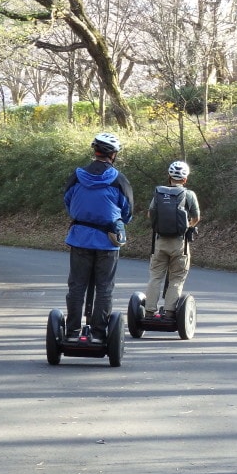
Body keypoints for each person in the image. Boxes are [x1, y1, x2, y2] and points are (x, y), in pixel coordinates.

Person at [63, 132, 133, 341]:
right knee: (104, 288)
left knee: (77, 286)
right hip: (108, 242)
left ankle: (72, 330)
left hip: (80, 238)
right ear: (113, 154)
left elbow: (68, 202)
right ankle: (99, 332)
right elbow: (127, 211)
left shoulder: (76, 176)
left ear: (95, 151)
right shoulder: (119, 180)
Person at [144, 161, 200, 318]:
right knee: (176, 278)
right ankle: (169, 312)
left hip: (160, 242)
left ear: (169, 176)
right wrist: (187, 226)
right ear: (185, 179)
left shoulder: (159, 193)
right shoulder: (189, 194)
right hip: (179, 244)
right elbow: (196, 217)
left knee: (155, 277)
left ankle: (148, 311)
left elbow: (150, 214)